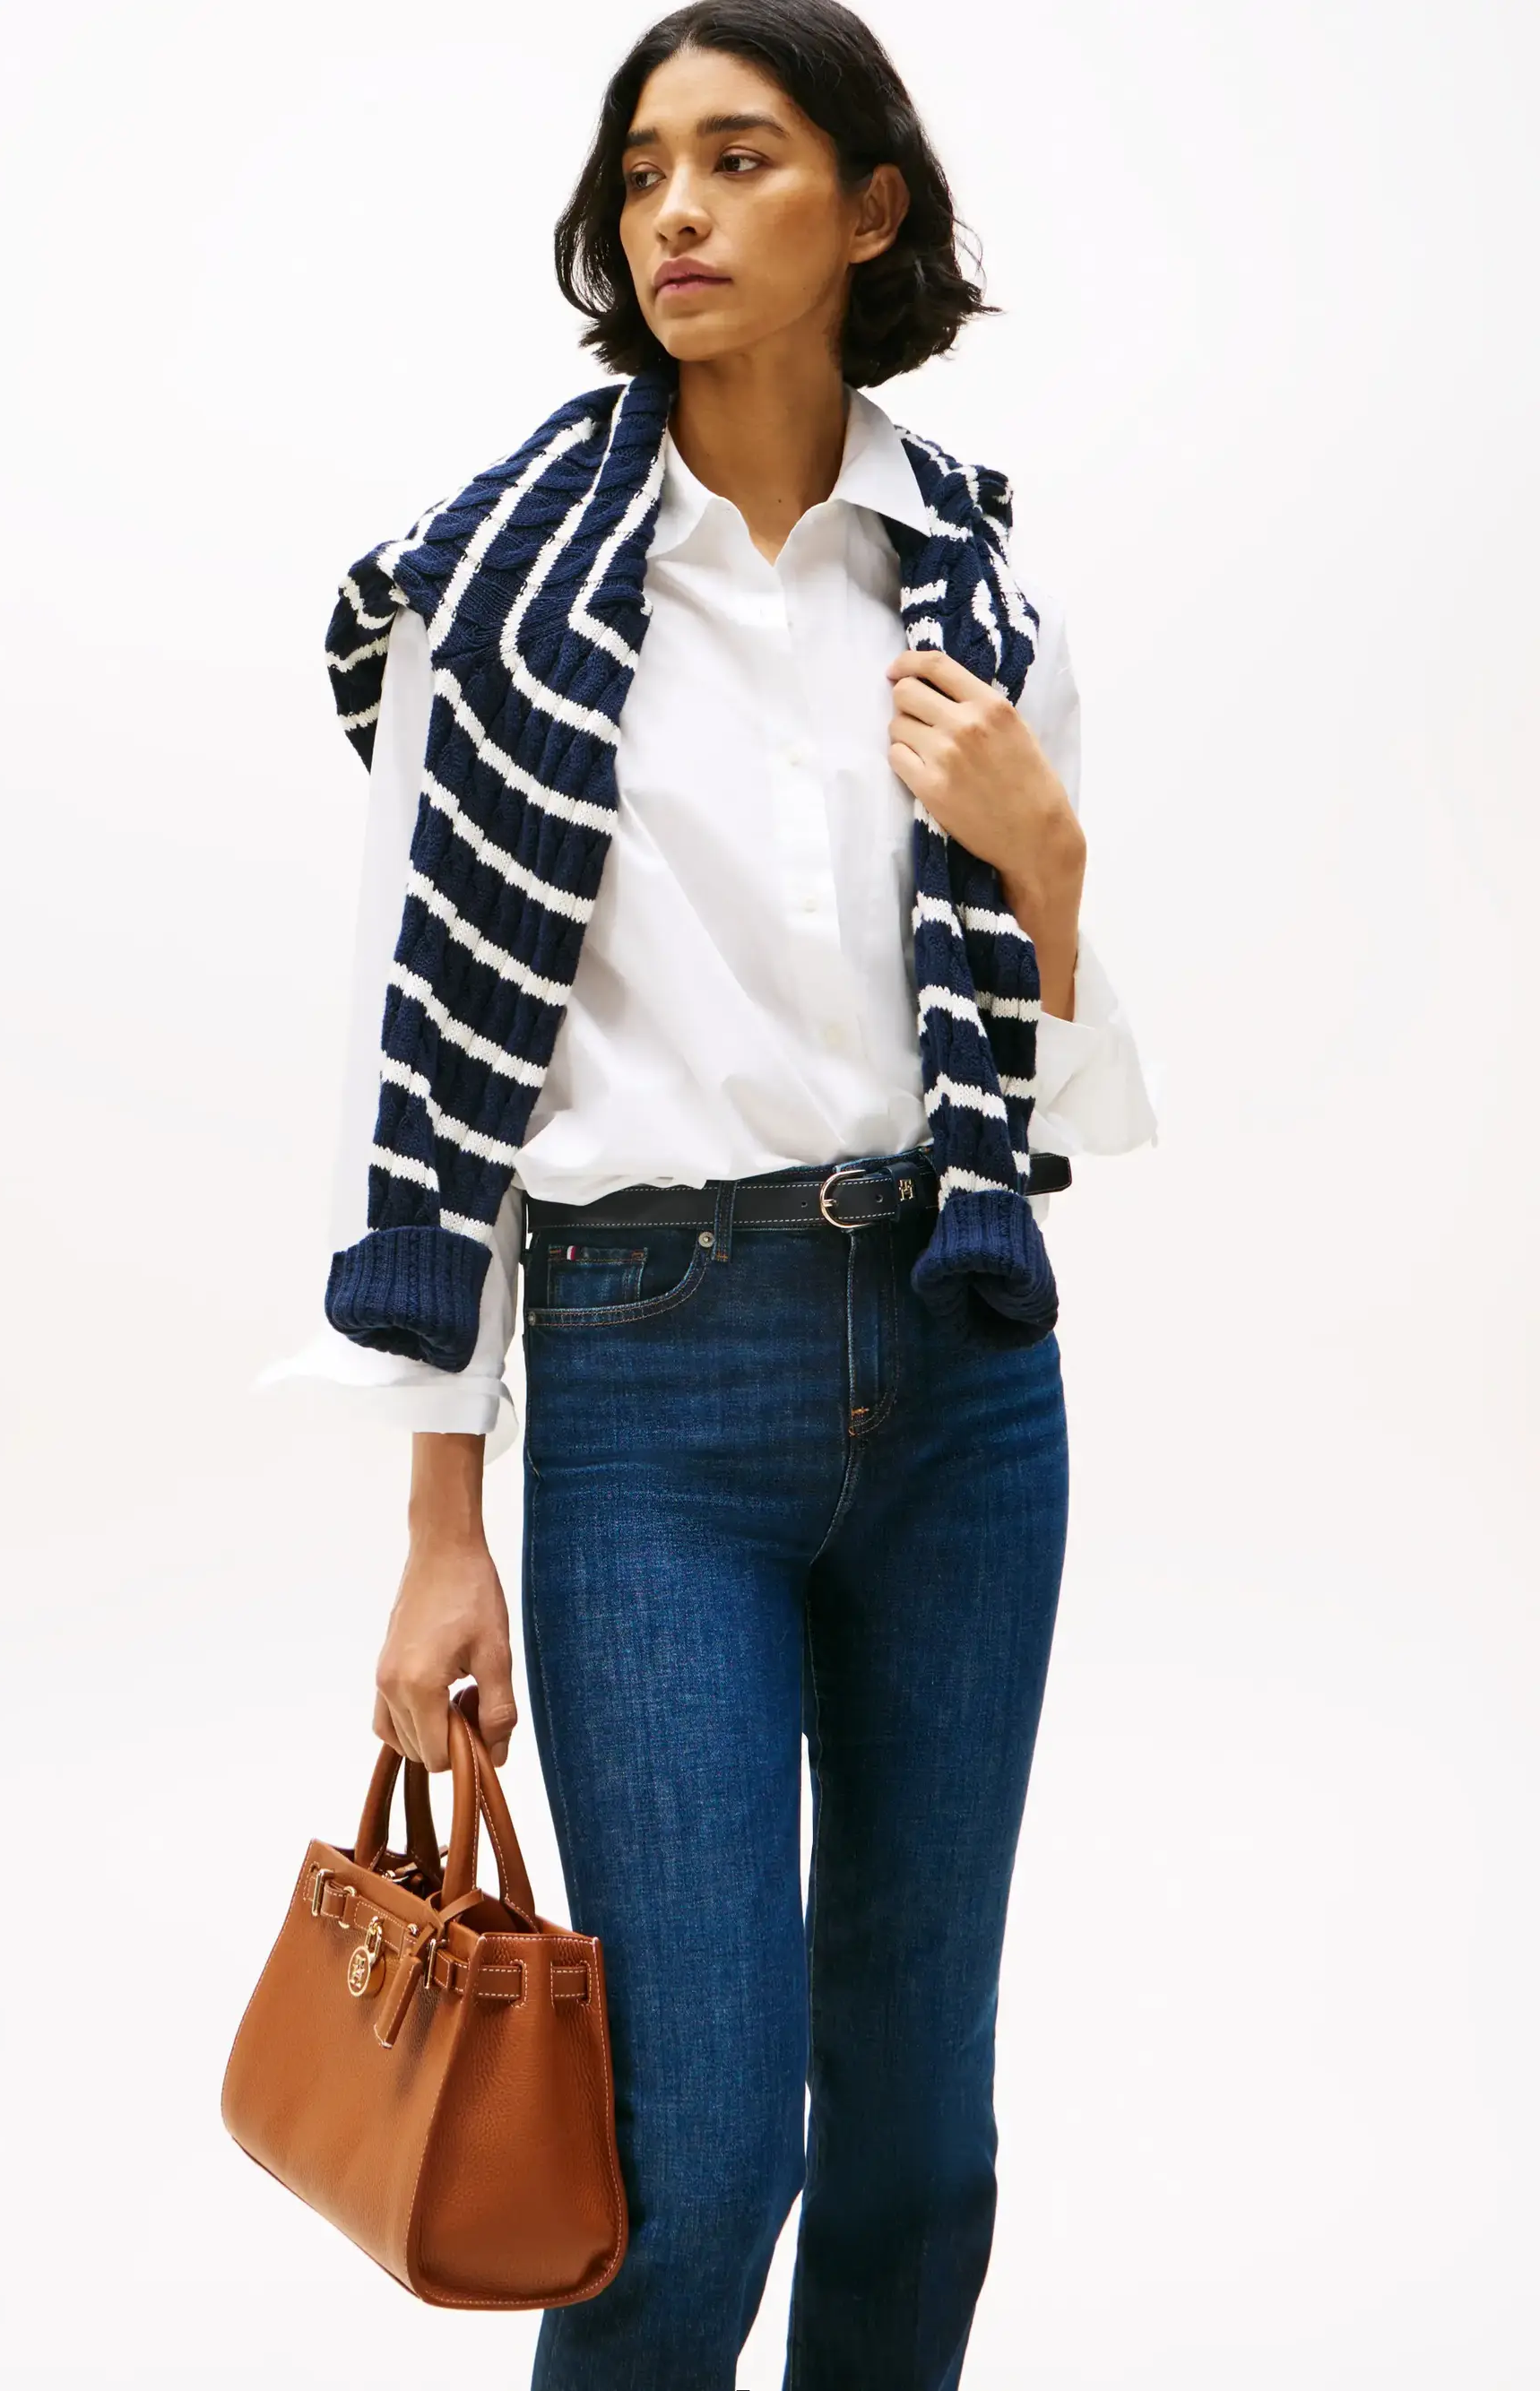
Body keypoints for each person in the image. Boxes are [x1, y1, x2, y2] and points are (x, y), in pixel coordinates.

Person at [266, 4, 1158, 2382]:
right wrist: (439, 1523)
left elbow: (1059, 1097)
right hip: (653, 1389)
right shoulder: (493, 596)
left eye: (742, 158)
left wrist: (1049, 857)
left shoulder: (979, 599)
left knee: (920, 2138)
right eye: (644, 167)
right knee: (693, 2160)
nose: (675, 210)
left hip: (965, 1383)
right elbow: (411, 1074)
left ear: (871, 209)